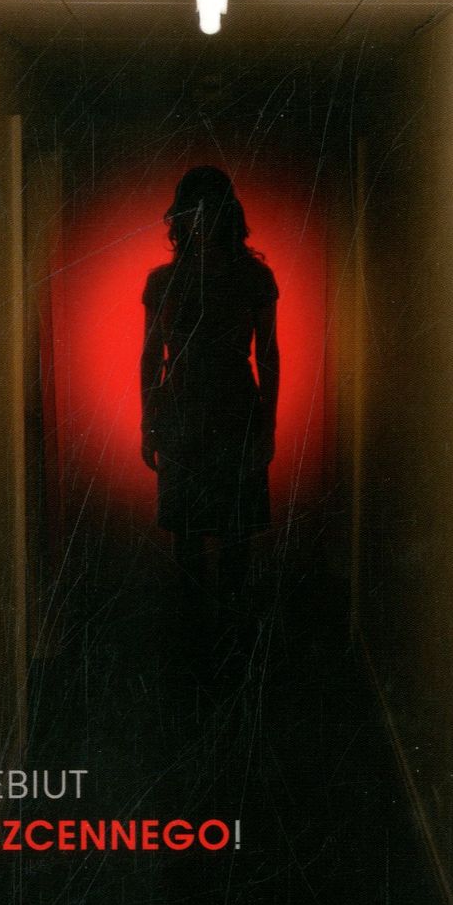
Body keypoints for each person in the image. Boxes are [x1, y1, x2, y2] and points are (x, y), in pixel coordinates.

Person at [140, 166, 279, 628]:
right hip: (183, 413)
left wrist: (267, 428)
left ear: (227, 213)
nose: (201, 219)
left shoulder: (253, 277)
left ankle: (227, 634)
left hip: (234, 412)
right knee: (188, 534)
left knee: (234, 534)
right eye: (192, 210)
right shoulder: (163, 281)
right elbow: (150, 355)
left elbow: (269, 355)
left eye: (209, 208)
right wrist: (147, 423)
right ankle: (195, 633)